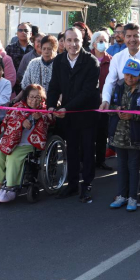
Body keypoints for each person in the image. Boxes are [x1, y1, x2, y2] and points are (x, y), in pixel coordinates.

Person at [100, 23, 140, 205]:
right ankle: (124, 193)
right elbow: (110, 81)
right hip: (122, 111)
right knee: (124, 160)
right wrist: (106, 100)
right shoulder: (118, 57)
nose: (132, 39)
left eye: (136, 35)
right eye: (129, 36)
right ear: (123, 37)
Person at [47, 27, 100, 202]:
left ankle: (87, 186)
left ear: (82, 40)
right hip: (67, 115)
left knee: (87, 150)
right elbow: (54, 86)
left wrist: (66, 108)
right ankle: (72, 184)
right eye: (69, 40)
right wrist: (51, 106)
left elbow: (87, 92)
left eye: (76, 40)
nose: (72, 44)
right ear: (63, 42)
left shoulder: (91, 61)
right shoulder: (59, 60)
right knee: (72, 151)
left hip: (86, 114)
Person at [0, 84, 51, 203]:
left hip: (27, 143)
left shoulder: (43, 110)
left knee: (13, 157)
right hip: (9, 139)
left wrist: (40, 119)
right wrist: (21, 122)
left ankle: (12, 188)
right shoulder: (17, 107)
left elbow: (50, 120)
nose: (34, 100)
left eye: (37, 97)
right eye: (31, 97)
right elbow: (8, 120)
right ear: (26, 97)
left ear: (42, 99)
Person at [108, 59, 140, 212]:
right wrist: (117, 109)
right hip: (119, 135)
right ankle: (121, 195)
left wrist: (133, 116)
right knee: (121, 166)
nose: (129, 78)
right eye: (127, 74)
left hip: (136, 137)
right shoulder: (118, 86)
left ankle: (133, 197)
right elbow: (110, 106)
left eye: (133, 75)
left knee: (133, 166)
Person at [90, 31, 113, 171]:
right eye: (99, 40)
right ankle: (87, 160)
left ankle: (100, 160)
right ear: (93, 43)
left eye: (105, 40)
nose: (102, 43)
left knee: (102, 132)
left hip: (105, 101)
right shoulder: (86, 58)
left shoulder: (111, 60)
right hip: (89, 101)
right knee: (88, 132)